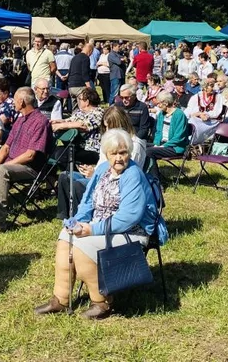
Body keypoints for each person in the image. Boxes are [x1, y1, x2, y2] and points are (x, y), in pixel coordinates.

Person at [36, 128, 167, 320]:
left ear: (129, 153)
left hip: (132, 230)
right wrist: (77, 222)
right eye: (114, 153)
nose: (119, 158)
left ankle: (102, 302)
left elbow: (129, 217)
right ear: (106, 154)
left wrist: (91, 229)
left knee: (82, 246)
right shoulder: (102, 169)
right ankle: (61, 299)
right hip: (100, 225)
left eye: (123, 153)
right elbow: (88, 201)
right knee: (65, 238)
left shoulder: (133, 175)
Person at [0, 87, 52, 234]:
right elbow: (5, 147)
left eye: (15, 100)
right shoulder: (19, 120)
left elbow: (30, 155)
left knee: (1, 170)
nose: (13, 103)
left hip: (30, 168)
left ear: (22, 102)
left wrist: (2, 166)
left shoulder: (40, 122)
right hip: (11, 163)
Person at [51, 87, 104, 165]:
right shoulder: (80, 112)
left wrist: (59, 126)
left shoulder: (98, 113)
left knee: (64, 155)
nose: (77, 101)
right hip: (77, 146)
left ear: (87, 102)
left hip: (91, 150)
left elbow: (83, 126)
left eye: (80, 99)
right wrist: (56, 122)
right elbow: (69, 120)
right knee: (53, 151)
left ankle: (71, 175)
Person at [147, 91, 189, 168]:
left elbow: (179, 137)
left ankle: (155, 179)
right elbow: (158, 131)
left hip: (175, 147)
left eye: (159, 103)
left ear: (166, 103)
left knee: (149, 152)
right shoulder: (161, 114)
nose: (158, 106)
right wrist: (156, 143)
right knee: (140, 146)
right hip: (162, 143)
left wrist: (164, 146)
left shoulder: (179, 115)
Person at [185, 80, 224, 144]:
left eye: (213, 86)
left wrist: (206, 114)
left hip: (211, 121)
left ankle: (192, 141)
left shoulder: (218, 97)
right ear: (204, 88)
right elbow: (189, 110)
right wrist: (199, 114)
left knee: (194, 123)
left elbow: (217, 112)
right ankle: (188, 140)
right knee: (191, 121)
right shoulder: (197, 96)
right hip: (198, 118)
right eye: (211, 86)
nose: (213, 88)